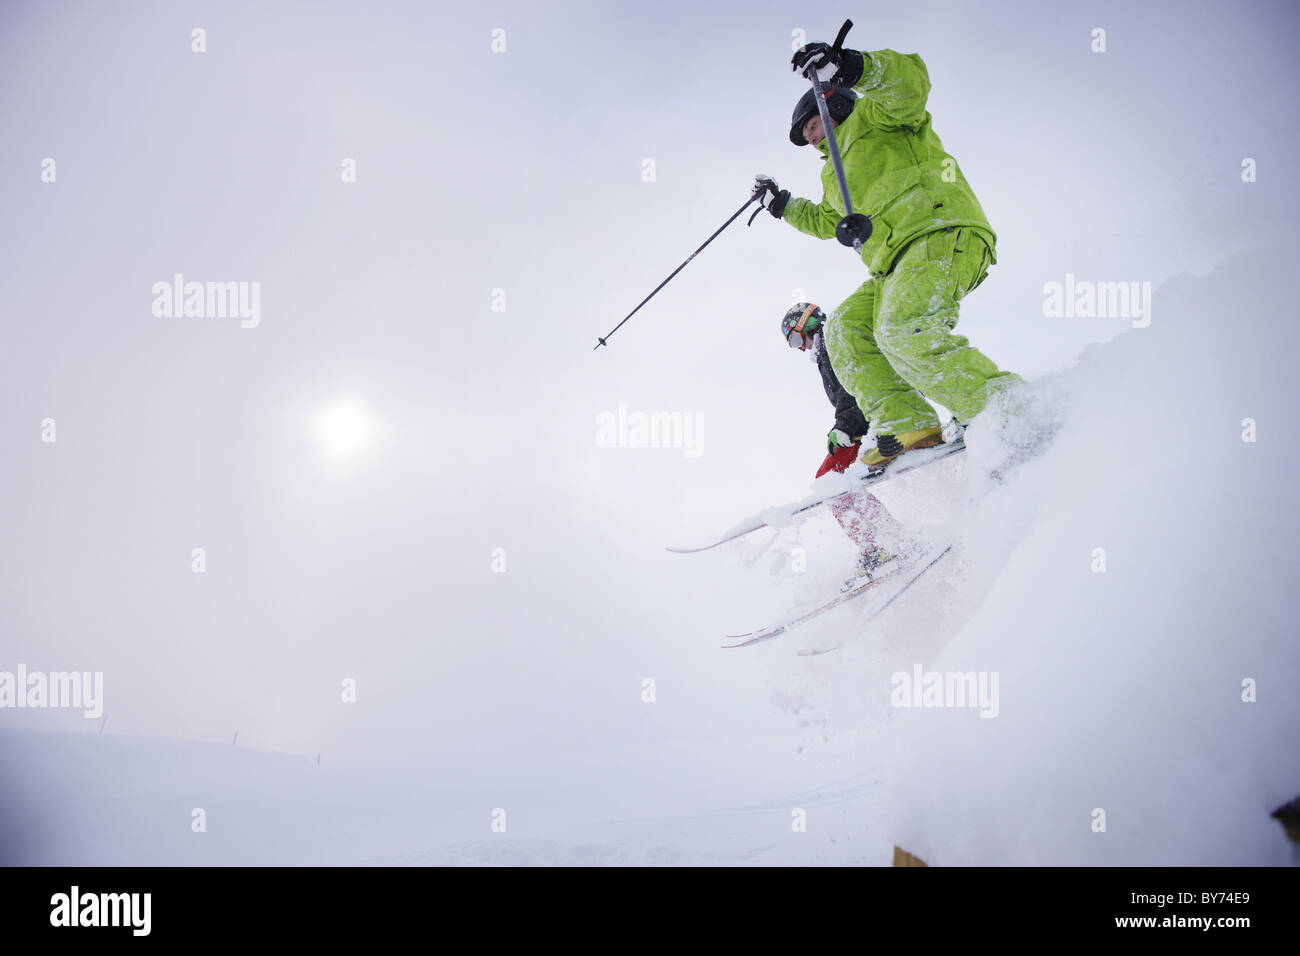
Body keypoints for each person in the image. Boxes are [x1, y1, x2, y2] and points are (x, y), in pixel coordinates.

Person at [755, 43, 1021, 473]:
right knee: (845, 328)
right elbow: (825, 219)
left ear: (833, 104)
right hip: (892, 265)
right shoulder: (832, 173)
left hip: (939, 232)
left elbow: (910, 86)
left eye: (810, 126)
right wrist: (781, 205)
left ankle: (1002, 408)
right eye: (804, 135)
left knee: (900, 327)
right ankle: (907, 420)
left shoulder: (876, 117)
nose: (808, 137)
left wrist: (855, 67)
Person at [782, 302, 904, 588]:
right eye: (794, 345)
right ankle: (885, 542)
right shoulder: (826, 349)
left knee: (830, 480)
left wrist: (844, 426)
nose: (801, 349)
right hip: (861, 422)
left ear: (809, 326)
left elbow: (854, 386)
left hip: (867, 422)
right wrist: (842, 425)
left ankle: (881, 545)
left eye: (798, 340)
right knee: (832, 482)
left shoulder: (832, 344)